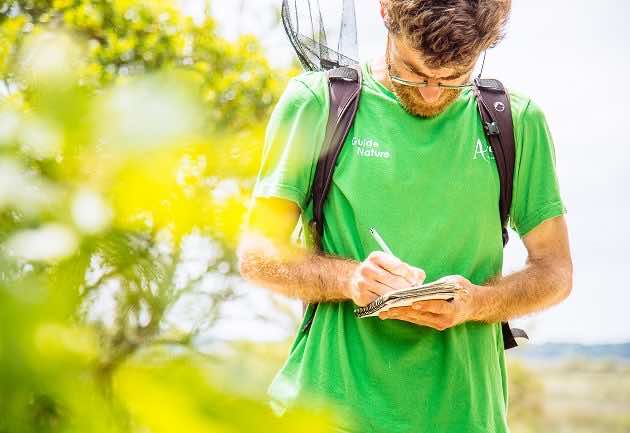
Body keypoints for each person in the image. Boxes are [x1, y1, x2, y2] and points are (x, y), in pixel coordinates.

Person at [237, 1, 573, 432]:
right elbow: (257, 256)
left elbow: (556, 271)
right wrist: (350, 279)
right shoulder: (318, 104)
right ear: (384, 14)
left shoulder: (516, 122)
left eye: (453, 78)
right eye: (413, 72)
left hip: (465, 419)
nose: (432, 92)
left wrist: (477, 304)